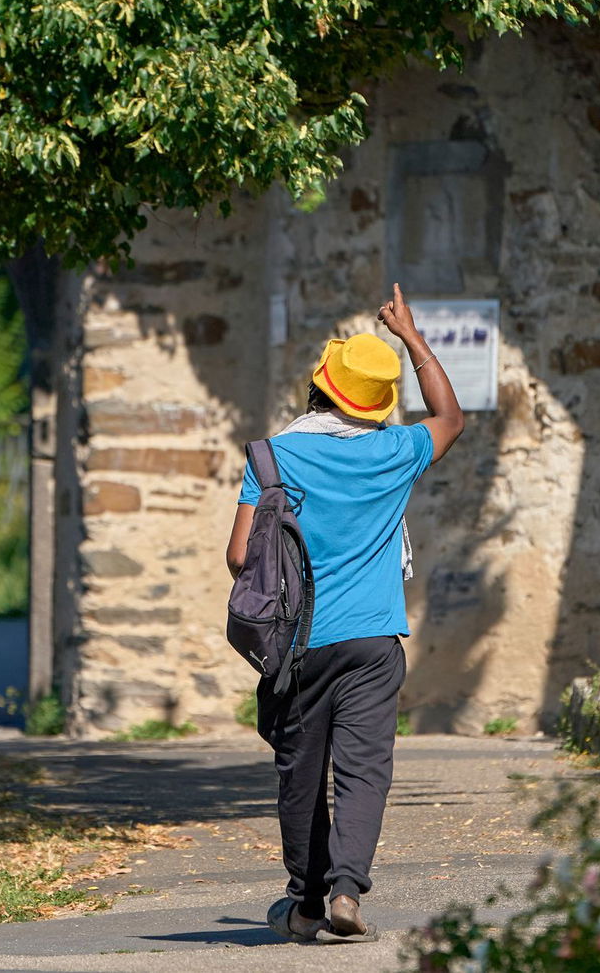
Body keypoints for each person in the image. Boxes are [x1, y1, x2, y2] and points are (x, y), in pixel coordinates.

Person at [227, 283, 465, 944]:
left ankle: (304, 905)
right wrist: (411, 337)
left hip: (299, 645)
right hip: (374, 641)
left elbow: (241, 555)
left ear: (321, 386)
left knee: (301, 773)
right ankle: (346, 891)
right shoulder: (394, 452)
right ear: (376, 403)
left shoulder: (273, 455)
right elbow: (450, 418)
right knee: (364, 770)